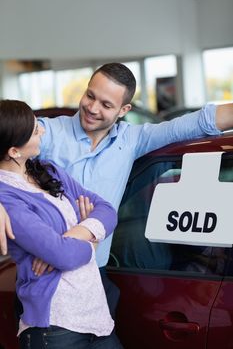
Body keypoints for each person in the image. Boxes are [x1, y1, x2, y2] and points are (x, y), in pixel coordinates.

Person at [1, 61, 233, 318]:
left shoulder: (132, 140)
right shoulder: (47, 133)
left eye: (106, 105)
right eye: (90, 96)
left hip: (96, 277)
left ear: (124, 110)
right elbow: (4, 147)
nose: (92, 108)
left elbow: (195, 123)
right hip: (46, 280)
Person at [0, 99, 122, 348]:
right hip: (54, 325)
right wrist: (93, 240)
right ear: (14, 151)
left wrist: (75, 234)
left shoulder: (48, 170)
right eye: (36, 130)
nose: (43, 131)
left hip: (95, 315)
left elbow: (107, 210)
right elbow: (63, 256)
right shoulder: (6, 197)